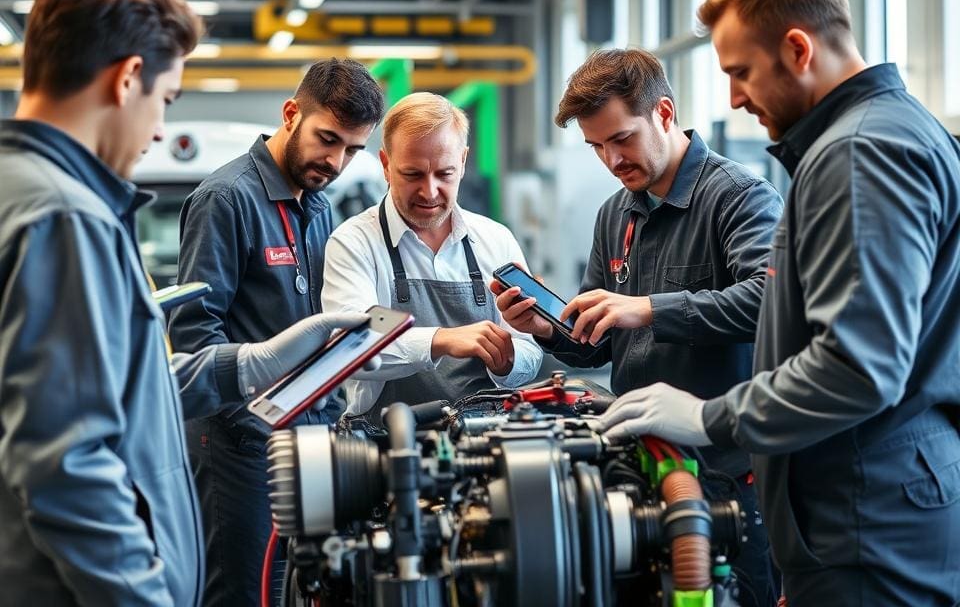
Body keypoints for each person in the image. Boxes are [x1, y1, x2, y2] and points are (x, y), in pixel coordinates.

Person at [0, 0, 370, 606]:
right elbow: (67, 466)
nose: (161, 128)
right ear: (128, 78)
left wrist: (248, 364)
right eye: (166, 99)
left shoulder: (24, 191)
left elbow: (114, 386)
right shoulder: (63, 216)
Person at [598, 0, 960, 605]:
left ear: (797, 49)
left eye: (740, 73)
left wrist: (711, 416)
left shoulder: (858, 153)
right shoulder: (894, 133)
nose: (735, 99)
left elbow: (860, 366)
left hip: (864, 518)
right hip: (867, 510)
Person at [492, 48, 783, 607]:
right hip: (641, 459)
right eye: (596, 146)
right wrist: (550, 330)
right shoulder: (615, 214)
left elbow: (769, 301)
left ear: (665, 113)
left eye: (621, 138)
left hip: (726, 470)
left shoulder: (739, 197)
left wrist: (649, 307)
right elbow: (597, 344)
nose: (610, 159)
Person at [167, 58, 385, 605]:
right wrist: (256, 420)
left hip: (307, 442)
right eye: (327, 139)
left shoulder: (321, 206)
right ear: (291, 114)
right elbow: (194, 335)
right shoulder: (227, 199)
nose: (335, 161)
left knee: (302, 587)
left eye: (353, 150)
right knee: (242, 591)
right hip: (239, 448)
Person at [322, 92, 543, 421]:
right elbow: (352, 344)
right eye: (413, 175)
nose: (429, 191)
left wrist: (508, 361)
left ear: (464, 162)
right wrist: (442, 340)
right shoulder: (355, 243)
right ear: (385, 164)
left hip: (486, 440)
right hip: (385, 446)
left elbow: (529, 347)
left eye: (445, 174)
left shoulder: (496, 241)